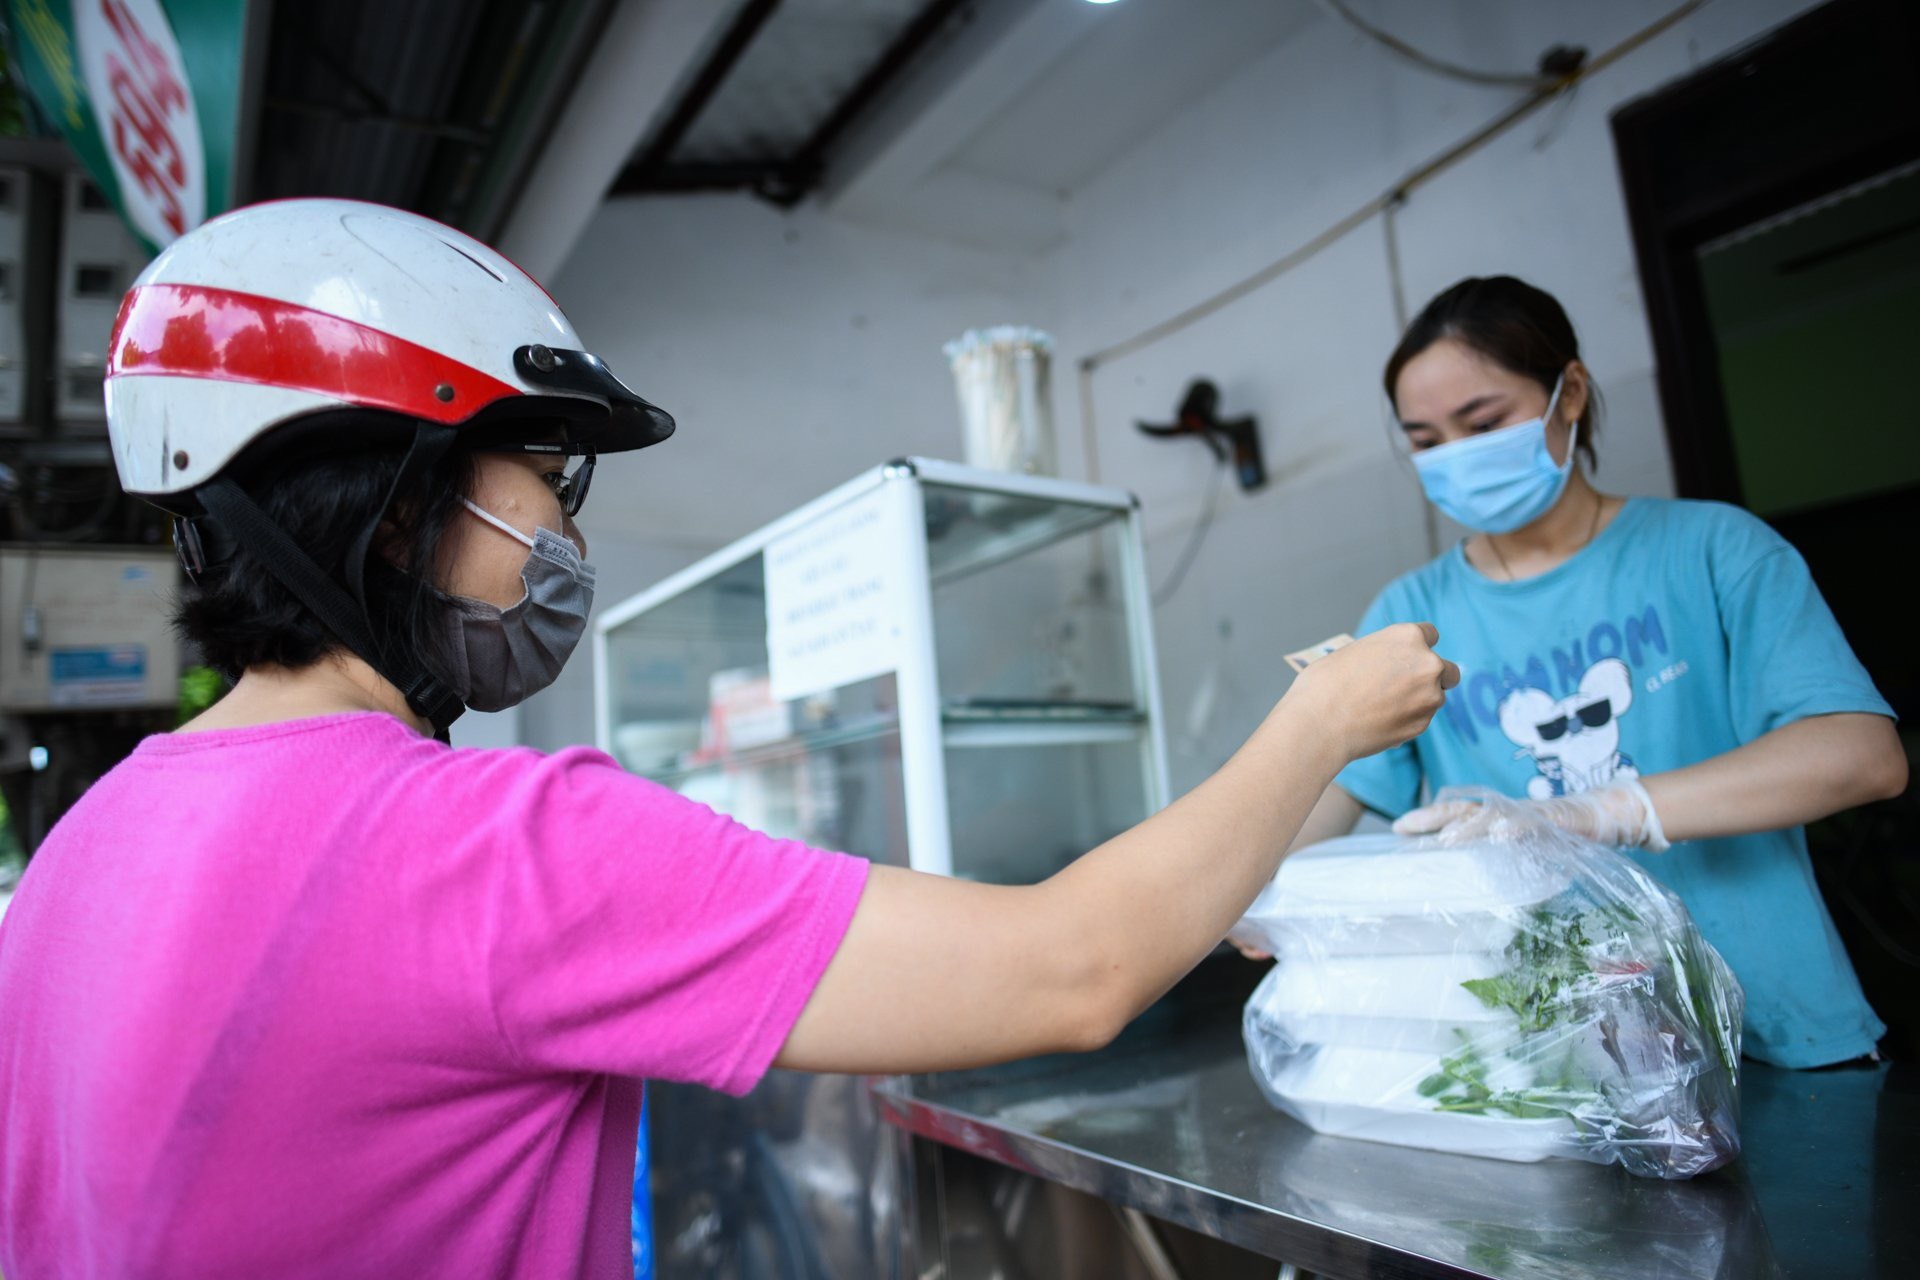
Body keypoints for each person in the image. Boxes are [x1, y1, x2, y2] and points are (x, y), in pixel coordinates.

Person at [0, 200, 1455, 1278]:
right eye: (546, 473)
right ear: (402, 498)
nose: (566, 534)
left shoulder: (80, 853)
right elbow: (1074, 971)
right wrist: (1322, 721)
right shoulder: (488, 844)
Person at [1244, 274, 1906, 1070]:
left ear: (1572, 393)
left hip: (1774, 1030)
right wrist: (1237, 890)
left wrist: (1598, 812)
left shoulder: (1715, 550)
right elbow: (1323, 797)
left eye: (1482, 422)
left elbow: (1863, 757)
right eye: (1425, 441)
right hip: (1559, 1059)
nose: (1456, 457)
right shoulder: (1411, 613)